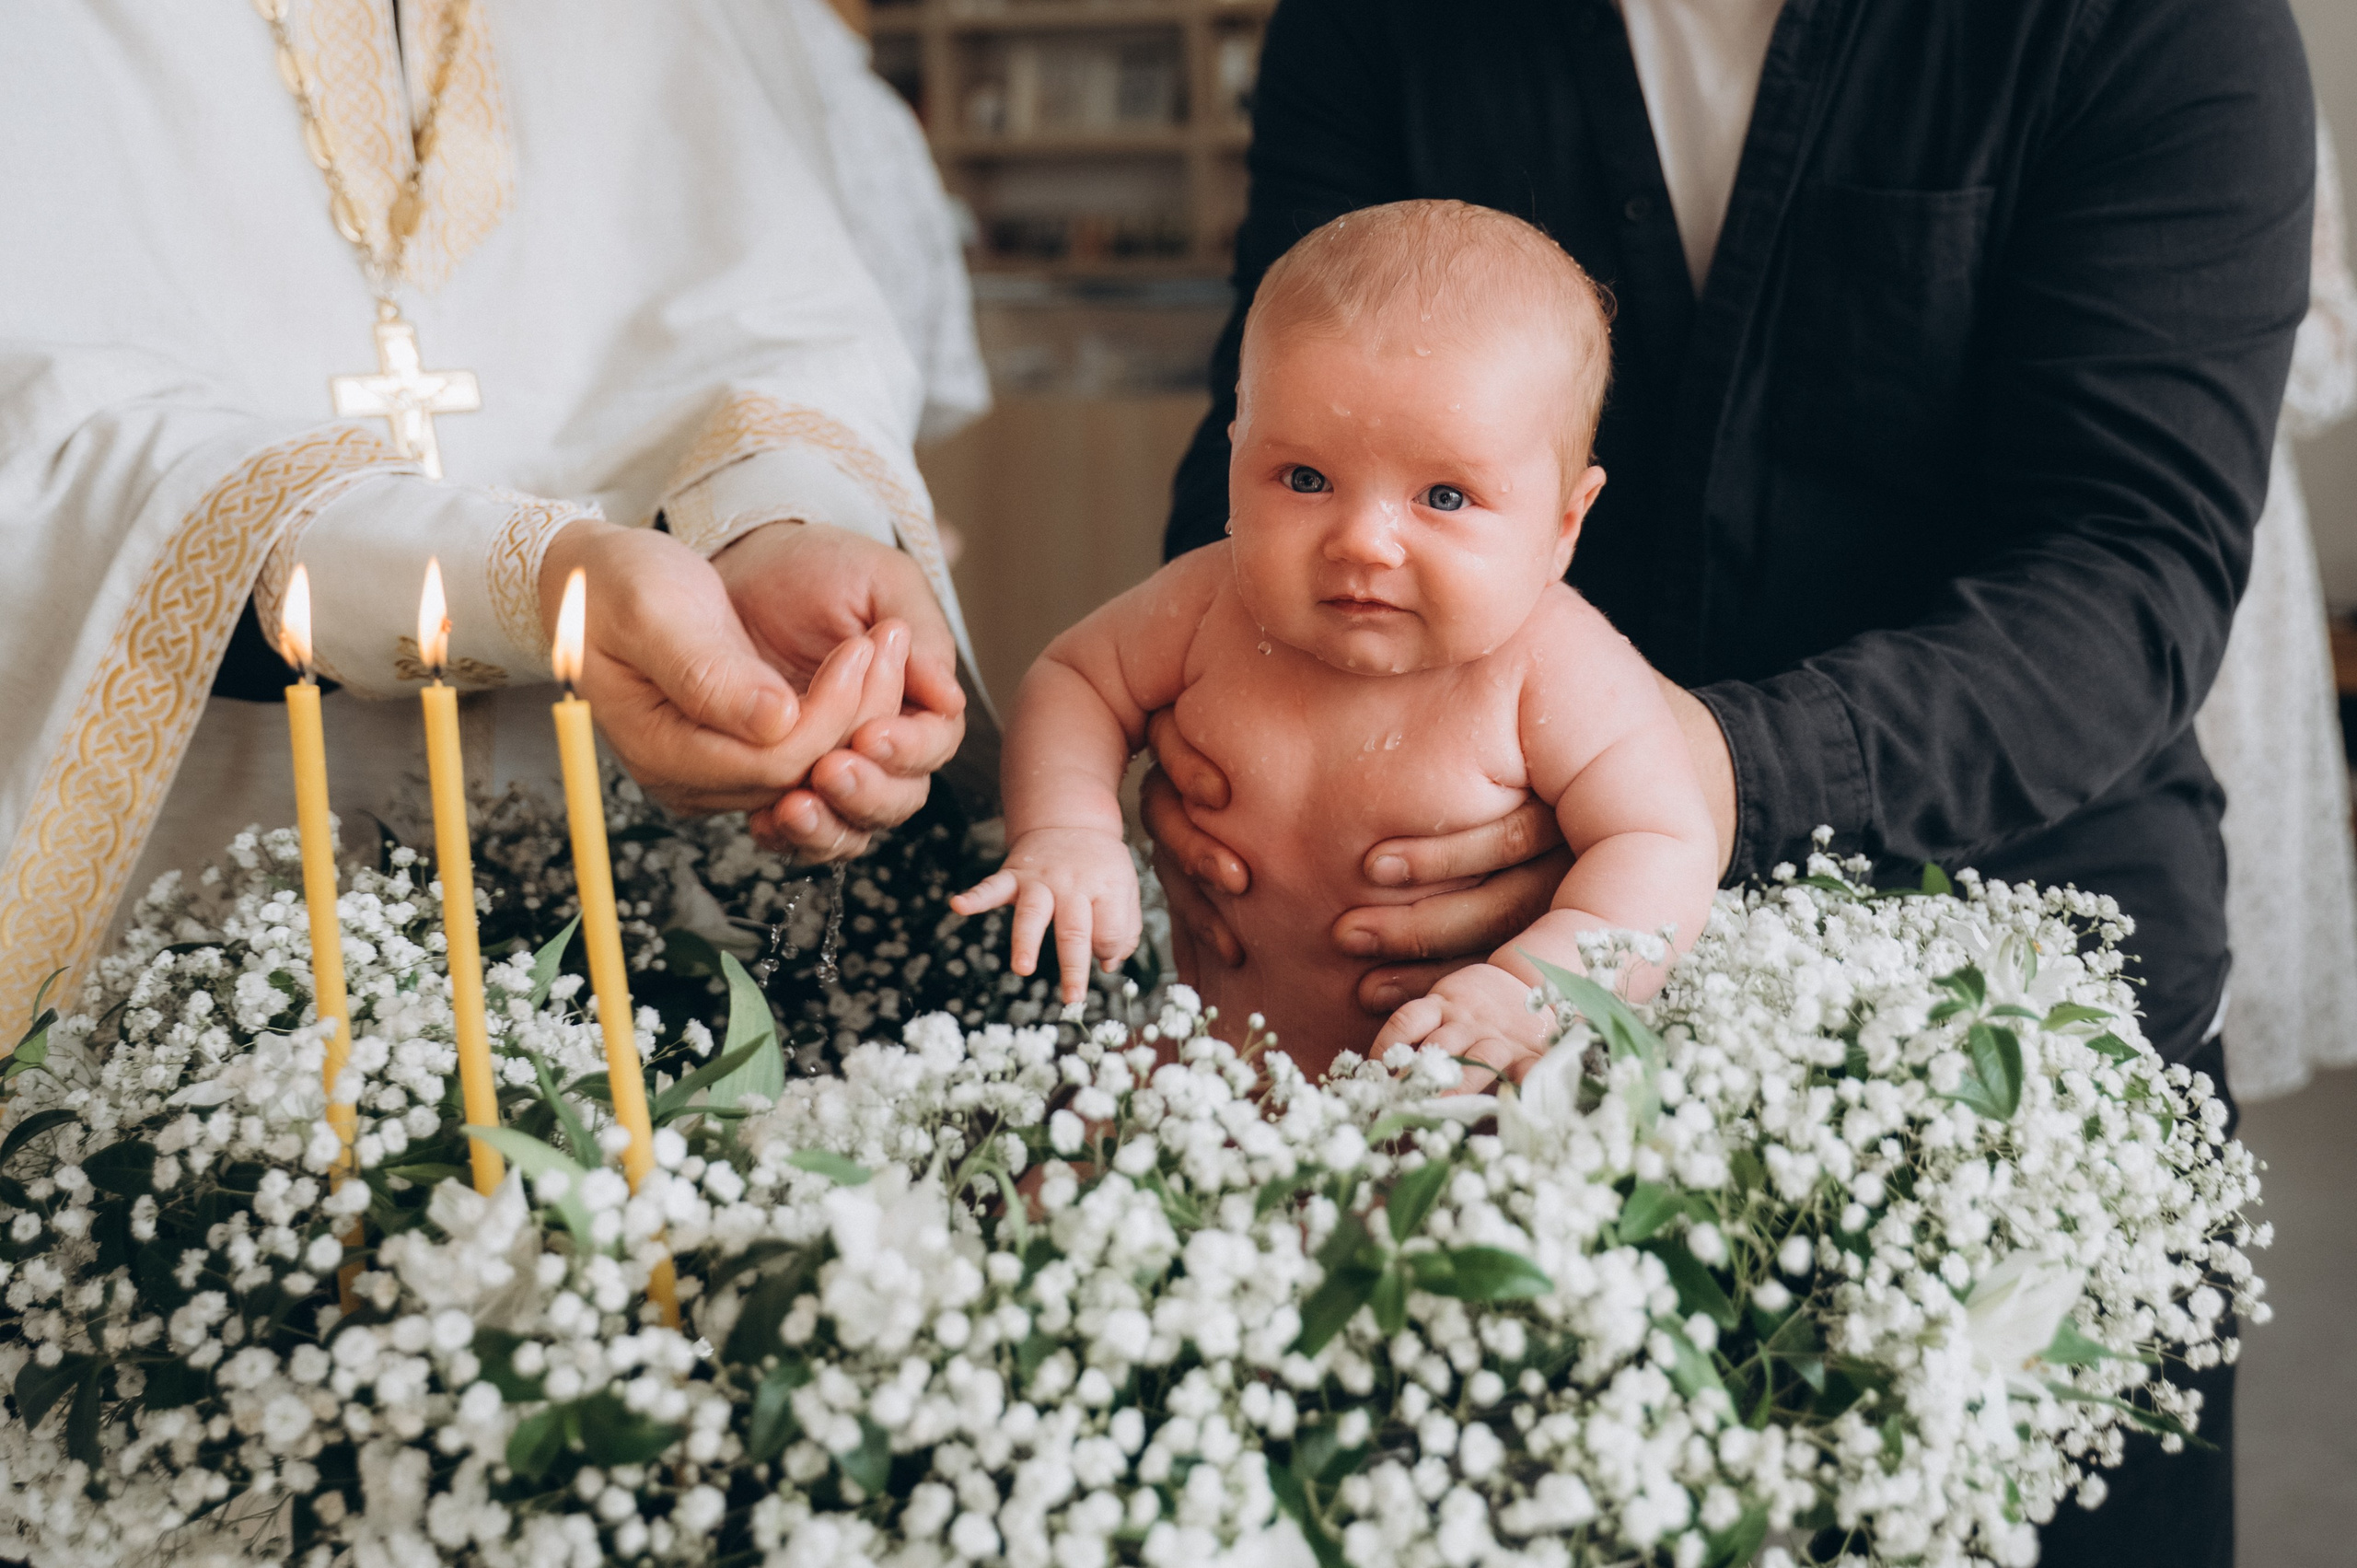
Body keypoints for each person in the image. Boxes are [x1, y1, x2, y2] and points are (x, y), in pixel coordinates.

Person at [1144, 2, 2313, 1564]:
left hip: (1998, 1027)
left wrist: (1674, 778)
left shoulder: (2157, 22)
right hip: (1439, 1023)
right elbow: (1277, 427)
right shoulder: (1384, 23)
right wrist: (1225, 732)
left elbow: (2127, 580)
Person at [0, 0, 991, 1029]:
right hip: (192, 921)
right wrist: (532, 580)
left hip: (661, 913)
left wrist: (774, 521)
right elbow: (38, 428)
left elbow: (779, 325)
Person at [953, 203, 1717, 1079]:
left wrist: (1530, 989)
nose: (1362, 540)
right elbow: (1076, 678)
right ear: (1236, 464)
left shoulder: (1555, 666)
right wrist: (1069, 830)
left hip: (1450, 1101)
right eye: (1306, 478)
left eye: (1444, 496)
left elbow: (1662, 845)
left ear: (1563, 524)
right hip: (1216, 1081)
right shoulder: (1210, 603)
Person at [2194, 117, 2357, 1103]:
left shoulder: (2244, 69)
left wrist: (2182, 336)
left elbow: (2333, 351)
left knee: (2210, 929)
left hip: (2234, 558)